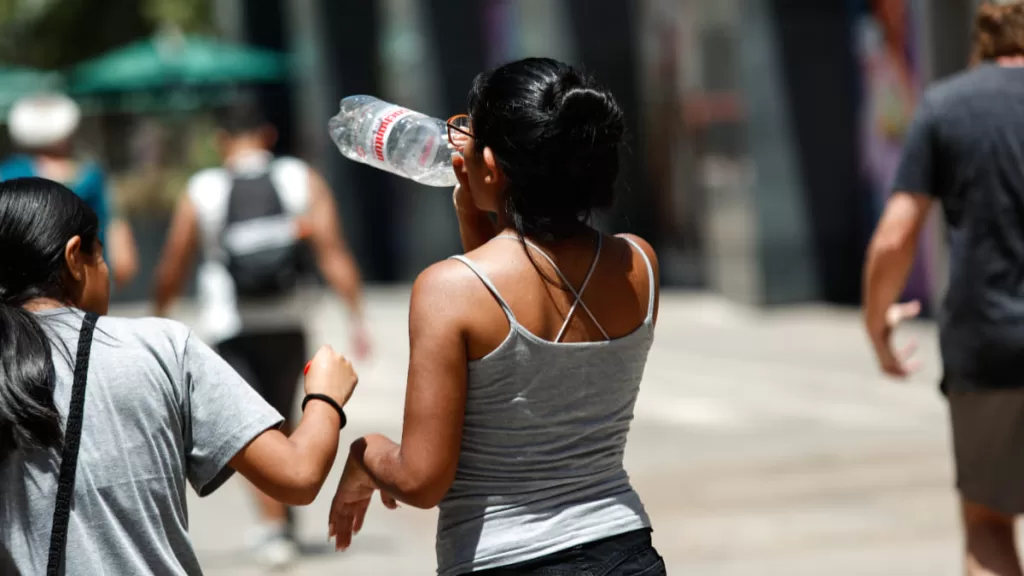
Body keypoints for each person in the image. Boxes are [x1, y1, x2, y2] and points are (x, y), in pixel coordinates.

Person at [327, 58, 666, 576]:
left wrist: (364, 455)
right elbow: (525, 285)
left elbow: (422, 479)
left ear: (489, 164)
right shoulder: (639, 264)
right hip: (624, 549)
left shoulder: (448, 289)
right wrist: (474, 209)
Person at [0, 177, 358, 575]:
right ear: (74, 258)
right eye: (99, 256)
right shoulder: (159, 346)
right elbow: (297, 474)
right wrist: (326, 396)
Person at [153, 98, 370, 568]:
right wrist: (357, 318)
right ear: (267, 135)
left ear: (220, 141)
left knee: (252, 426)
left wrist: (157, 315)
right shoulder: (300, 178)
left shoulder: (203, 188)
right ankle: (282, 516)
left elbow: (174, 261)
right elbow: (333, 251)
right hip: (289, 319)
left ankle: (275, 527)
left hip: (232, 324)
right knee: (284, 414)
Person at [863, 3, 1024, 575]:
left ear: (981, 36)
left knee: (987, 526)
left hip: (986, 347)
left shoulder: (946, 106)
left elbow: (894, 236)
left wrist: (877, 325)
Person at [0, 93, 139, 289]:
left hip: (19, 287)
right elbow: (115, 227)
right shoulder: (90, 175)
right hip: (83, 281)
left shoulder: (7, 173)